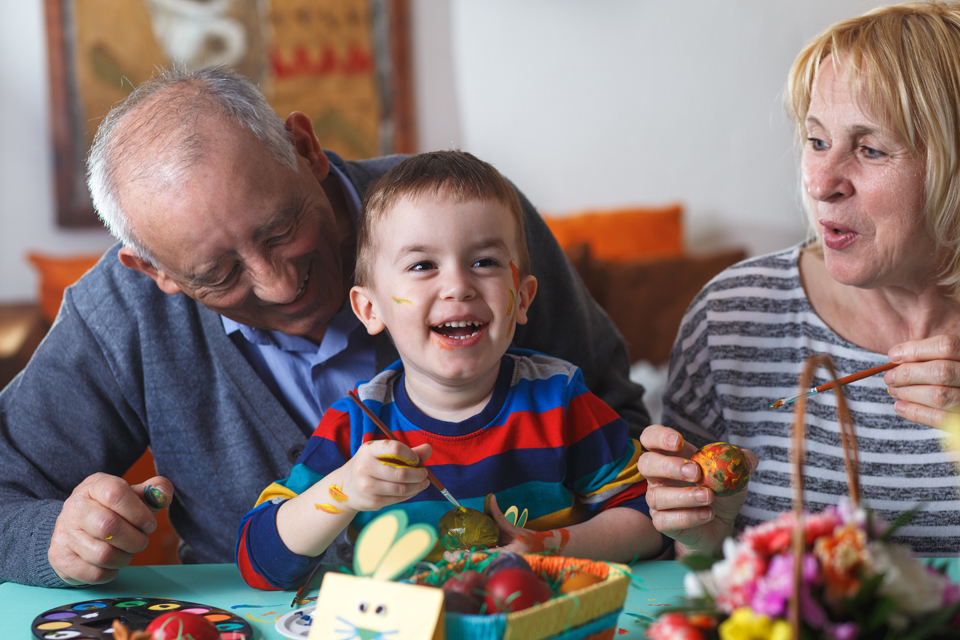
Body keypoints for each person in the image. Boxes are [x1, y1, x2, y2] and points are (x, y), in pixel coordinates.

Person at [0, 68, 649, 588]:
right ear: (153, 271)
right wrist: (58, 536)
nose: (279, 285)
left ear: (305, 148)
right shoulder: (121, 311)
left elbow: (620, 434)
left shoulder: (468, 223)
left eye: (282, 229)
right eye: (220, 273)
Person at [235, 150, 662, 590]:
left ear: (524, 297)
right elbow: (258, 560)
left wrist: (551, 546)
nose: (458, 285)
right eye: (422, 265)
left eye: (485, 262)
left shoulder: (560, 399)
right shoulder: (358, 423)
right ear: (370, 308)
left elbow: (650, 516)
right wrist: (342, 490)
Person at [639, 1, 960, 558]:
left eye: (870, 148)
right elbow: (693, 574)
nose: (821, 182)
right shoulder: (731, 318)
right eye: (816, 141)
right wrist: (702, 540)